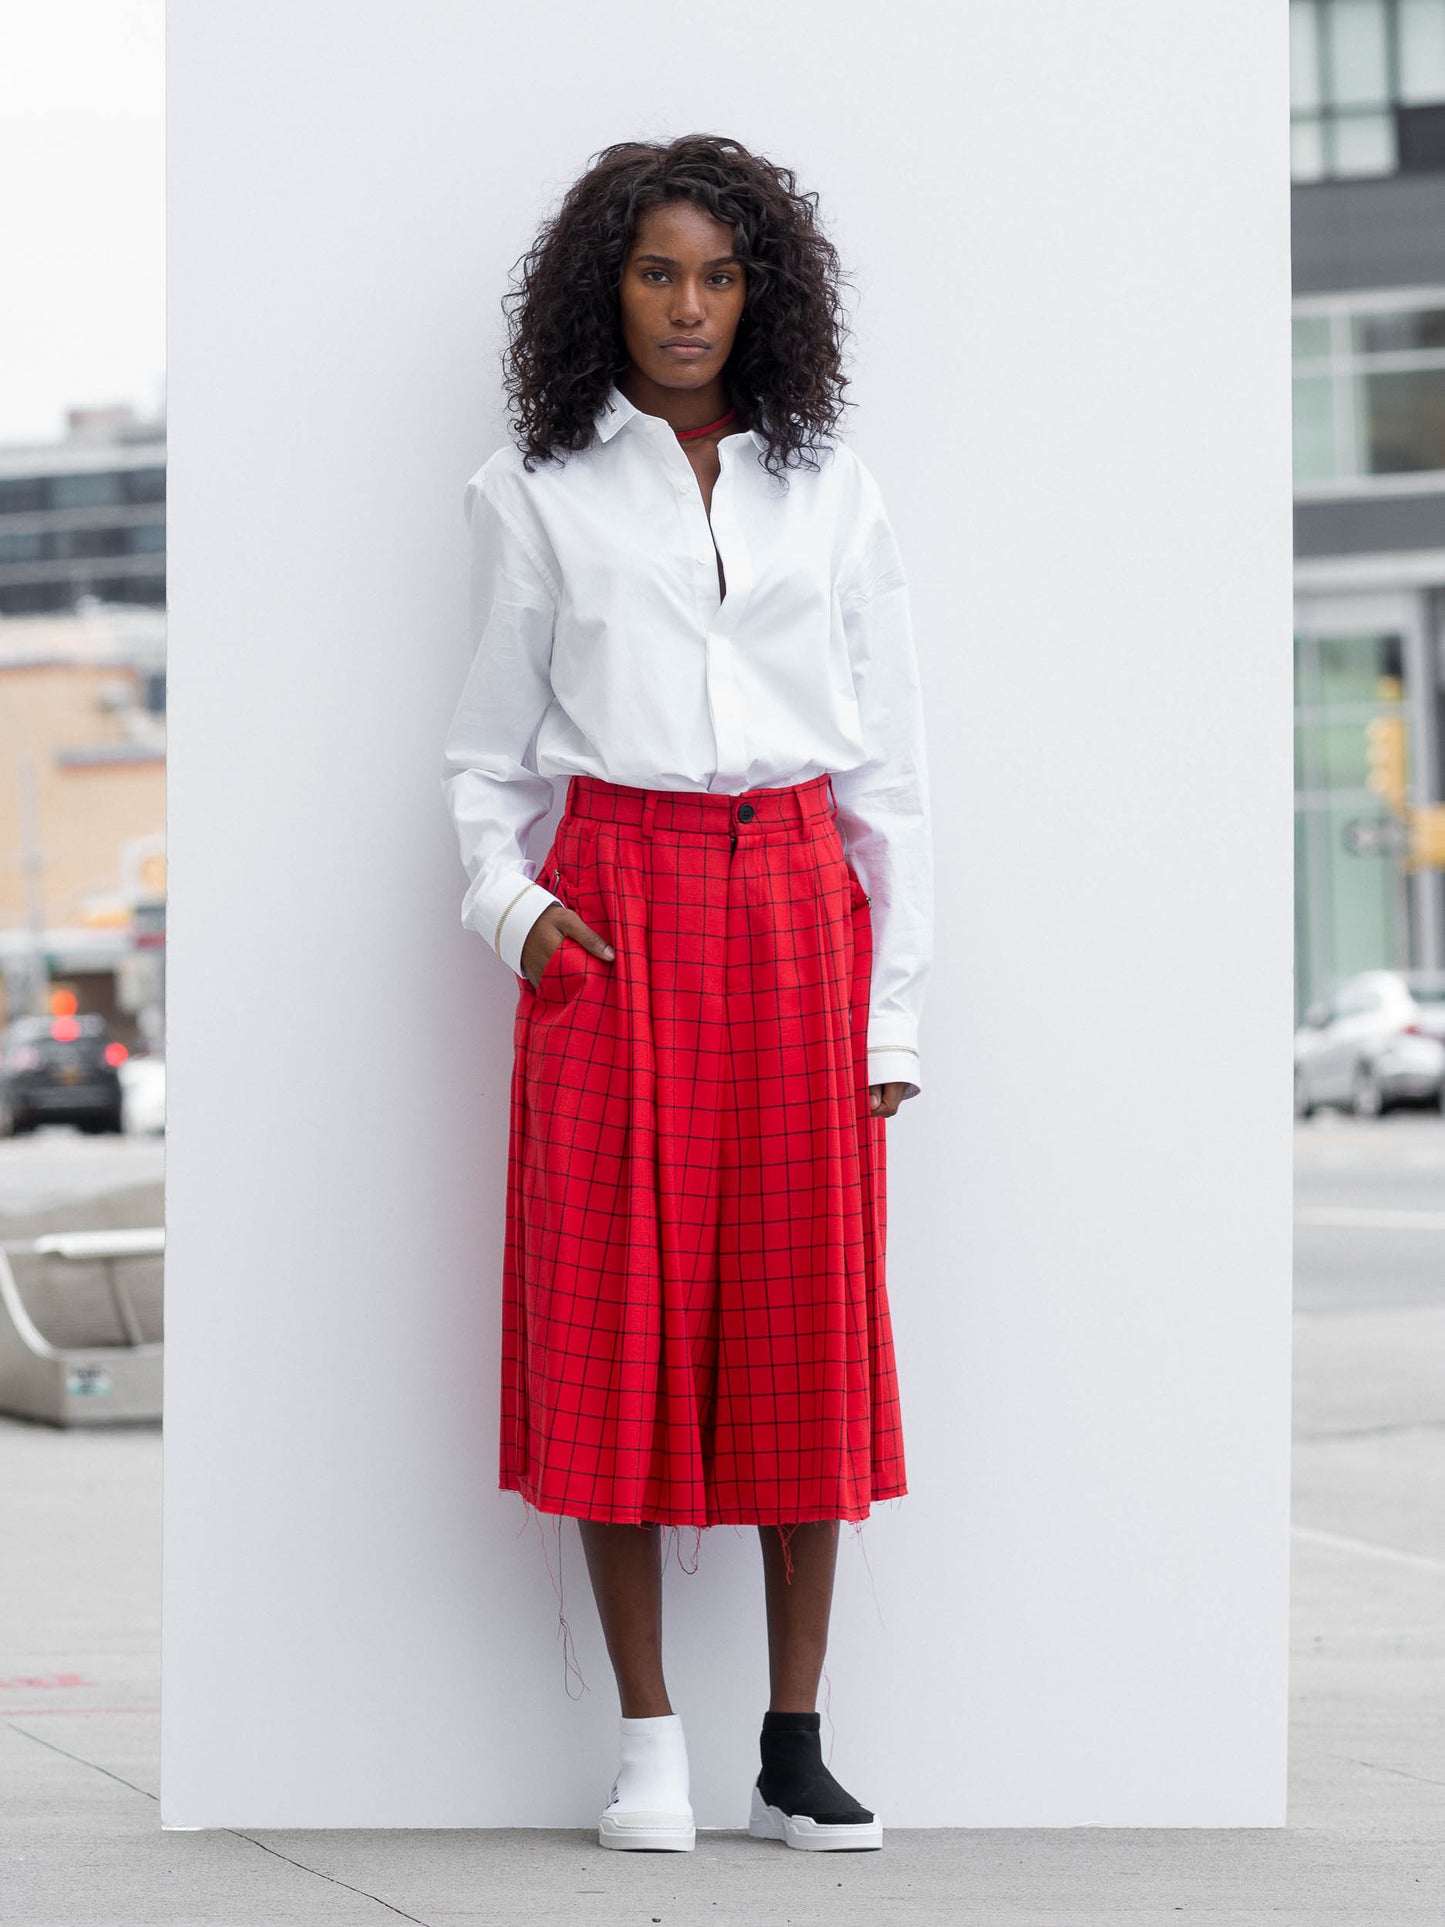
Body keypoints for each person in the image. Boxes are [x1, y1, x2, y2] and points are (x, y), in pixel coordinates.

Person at [442, 132, 932, 1855]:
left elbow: (891, 774)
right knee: (612, 1326)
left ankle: (791, 1745)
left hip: (801, 909)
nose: (688, 306)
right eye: (656, 271)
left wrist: (894, 1014)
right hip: (618, 913)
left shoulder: (833, 493)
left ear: (762, 294)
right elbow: (481, 761)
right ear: (607, 289)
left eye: (719, 274)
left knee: (805, 1321)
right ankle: (647, 1743)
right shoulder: (543, 491)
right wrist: (520, 916)